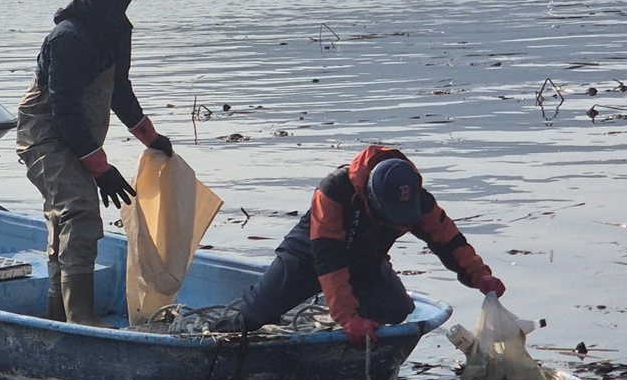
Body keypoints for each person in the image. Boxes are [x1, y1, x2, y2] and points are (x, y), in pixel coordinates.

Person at [213, 145, 506, 346]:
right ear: (371, 198)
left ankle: (350, 345)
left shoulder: (415, 198)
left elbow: (448, 239)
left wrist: (480, 276)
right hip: (307, 259)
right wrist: (349, 318)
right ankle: (215, 335)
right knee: (255, 315)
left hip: (366, 263)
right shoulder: (334, 192)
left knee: (396, 309)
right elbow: (328, 259)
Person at [17, 0, 172, 327]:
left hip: (81, 134)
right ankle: (81, 316)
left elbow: (119, 90)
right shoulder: (68, 38)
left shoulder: (119, 30)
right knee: (80, 209)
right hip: (46, 134)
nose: (120, 2)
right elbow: (65, 109)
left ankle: (57, 312)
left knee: (65, 219)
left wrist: (150, 137)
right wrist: (101, 169)